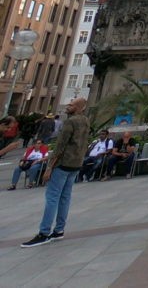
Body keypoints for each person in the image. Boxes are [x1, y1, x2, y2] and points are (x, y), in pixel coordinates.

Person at [21, 96, 90, 247]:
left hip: (63, 163)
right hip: (75, 164)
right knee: (65, 197)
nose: (68, 106)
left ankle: (44, 233)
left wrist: (50, 166)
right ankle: (59, 230)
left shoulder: (70, 122)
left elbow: (60, 145)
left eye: (71, 105)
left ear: (78, 107)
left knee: (52, 197)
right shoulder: (85, 120)